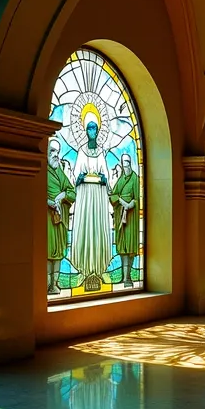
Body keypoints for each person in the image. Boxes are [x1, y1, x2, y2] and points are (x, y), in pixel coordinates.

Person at [68, 118, 114, 290]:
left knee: (98, 227)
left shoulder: (101, 152)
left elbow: (106, 175)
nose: (92, 132)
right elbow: (75, 175)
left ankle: (99, 268)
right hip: (85, 195)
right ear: (86, 131)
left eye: (94, 129)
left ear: (98, 131)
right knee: (85, 226)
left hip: (98, 195)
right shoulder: (81, 151)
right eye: (89, 129)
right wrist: (79, 177)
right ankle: (84, 269)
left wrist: (104, 179)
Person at [46, 139, 75, 294]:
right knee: (47, 251)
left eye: (57, 152)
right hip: (46, 219)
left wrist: (63, 195)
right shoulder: (41, 171)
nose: (55, 155)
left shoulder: (60, 172)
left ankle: (54, 284)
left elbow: (72, 192)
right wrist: (48, 202)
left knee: (58, 252)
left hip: (60, 218)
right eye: (52, 151)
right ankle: (46, 285)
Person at [109, 153, 141, 287]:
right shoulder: (121, 179)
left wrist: (131, 204)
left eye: (127, 162)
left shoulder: (135, 179)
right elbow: (113, 195)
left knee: (130, 245)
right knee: (122, 246)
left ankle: (128, 278)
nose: (125, 165)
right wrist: (122, 202)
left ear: (130, 163)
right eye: (123, 162)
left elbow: (137, 198)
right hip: (120, 216)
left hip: (131, 217)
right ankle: (124, 277)